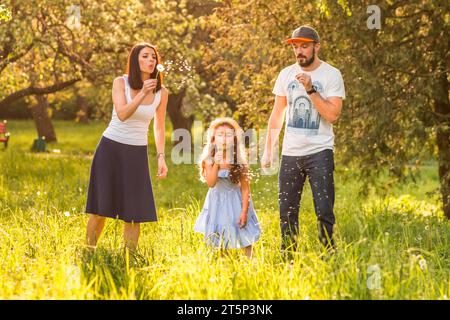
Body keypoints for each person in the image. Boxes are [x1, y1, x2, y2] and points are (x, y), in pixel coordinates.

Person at [261, 26, 346, 254]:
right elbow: (277, 114)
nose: (299, 51)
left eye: (304, 46)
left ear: (316, 47)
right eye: (295, 47)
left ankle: (329, 256)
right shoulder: (285, 74)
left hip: (320, 152)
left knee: (324, 210)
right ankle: (288, 257)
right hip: (290, 154)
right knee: (287, 211)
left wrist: (310, 89)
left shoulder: (331, 74)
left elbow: (332, 115)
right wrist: (269, 150)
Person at [85, 42, 168, 251]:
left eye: (154, 57)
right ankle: (89, 252)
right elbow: (122, 114)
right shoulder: (120, 83)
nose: (151, 60)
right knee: (100, 209)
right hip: (110, 149)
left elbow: (159, 126)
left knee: (134, 213)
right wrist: (141, 94)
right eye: (146, 56)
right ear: (135, 60)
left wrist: (161, 156)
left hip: (136, 153)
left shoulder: (161, 92)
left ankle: (129, 259)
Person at [194, 117, 261, 258]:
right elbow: (211, 183)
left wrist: (244, 211)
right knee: (220, 235)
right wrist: (217, 164)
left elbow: (245, 188)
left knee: (244, 234)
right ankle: (223, 266)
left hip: (236, 201)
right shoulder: (209, 160)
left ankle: (252, 266)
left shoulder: (240, 161)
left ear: (235, 139)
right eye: (220, 135)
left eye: (229, 135)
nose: (224, 139)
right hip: (217, 201)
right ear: (213, 139)